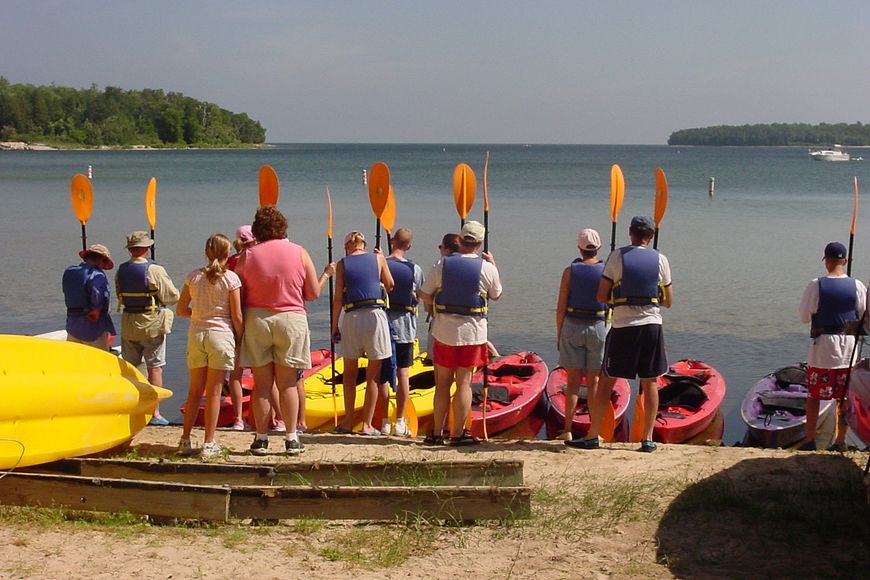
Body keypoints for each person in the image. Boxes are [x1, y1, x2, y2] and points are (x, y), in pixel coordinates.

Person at [567, 216, 672, 452]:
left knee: (607, 381)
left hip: (624, 327)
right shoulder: (661, 259)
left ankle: (594, 435)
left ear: (630, 233)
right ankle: (648, 438)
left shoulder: (617, 257)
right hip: (652, 326)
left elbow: (601, 297)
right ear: (651, 236)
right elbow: (668, 301)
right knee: (651, 381)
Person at [236, 205, 323, 456]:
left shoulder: (248, 255)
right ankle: (292, 438)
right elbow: (313, 293)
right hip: (291, 319)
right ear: (283, 227)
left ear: (258, 230)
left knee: (262, 385)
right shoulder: (299, 252)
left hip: (258, 318)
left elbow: (237, 289)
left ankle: (261, 439)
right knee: (288, 384)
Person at [420, 220, 502, 446]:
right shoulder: (487, 268)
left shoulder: (442, 264)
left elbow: (424, 294)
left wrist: (439, 300)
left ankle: (437, 432)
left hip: (444, 332)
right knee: (464, 383)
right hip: (473, 334)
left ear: (461, 238)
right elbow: (496, 294)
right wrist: (493, 263)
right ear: (479, 243)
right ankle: (458, 433)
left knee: (443, 384)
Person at [176, 234, 243, 458]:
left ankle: (185, 438)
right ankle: (209, 442)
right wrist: (240, 338)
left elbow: (181, 309)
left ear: (207, 253)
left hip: (197, 334)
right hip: (221, 335)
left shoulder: (193, 277)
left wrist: (199, 315)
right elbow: (236, 315)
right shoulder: (231, 279)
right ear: (227, 254)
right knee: (214, 392)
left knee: (194, 390)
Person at [798, 241, 867, 451]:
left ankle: (810, 440)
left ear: (826, 261)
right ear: (845, 261)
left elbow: (803, 317)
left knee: (814, 394)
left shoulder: (815, 284)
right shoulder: (858, 285)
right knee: (844, 395)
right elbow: (863, 315)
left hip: (823, 348)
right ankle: (840, 441)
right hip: (848, 347)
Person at [332, 231, 394, 435]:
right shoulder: (377, 258)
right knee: (373, 376)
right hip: (375, 316)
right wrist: (383, 259)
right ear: (363, 245)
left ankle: (348, 421)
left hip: (352, 317)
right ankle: (367, 425)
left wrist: (334, 326)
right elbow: (390, 284)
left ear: (347, 247)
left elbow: (338, 299)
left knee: (349, 374)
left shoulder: (342, 263)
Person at [116, 231, 180, 426]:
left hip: (129, 323)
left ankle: (131, 408)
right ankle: (155, 412)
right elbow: (173, 296)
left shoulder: (121, 270)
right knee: (155, 367)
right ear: (146, 248)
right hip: (152, 323)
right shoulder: (155, 269)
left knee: (129, 368)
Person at [555, 228, 609, 441]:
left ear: (579, 247)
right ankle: (592, 431)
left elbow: (561, 307)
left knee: (573, 382)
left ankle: (567, 429)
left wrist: (559, 333)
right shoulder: (607, 271)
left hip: (572, 325)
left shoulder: (570, 271)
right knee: (594, 382)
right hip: (598, 326)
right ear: (599, 248)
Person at [385, 227, 425, 437]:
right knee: (403, 373)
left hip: (382, 327)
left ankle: (383, 421)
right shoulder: (415, 269)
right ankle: (400, 421)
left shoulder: (379, 263)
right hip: (405, 328)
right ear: (409, 246)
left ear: (392, 241)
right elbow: (420, 295)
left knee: (381, 376)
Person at [225, 224, 256, 430]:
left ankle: (238, 419)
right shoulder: (260, 259)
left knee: (235, 374)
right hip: (255, 317)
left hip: (235, 319)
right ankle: (274, 419)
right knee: (264, 374)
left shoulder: (229, 262)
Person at [62, 243, 116, 351]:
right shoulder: (96, 274)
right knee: (99, 360)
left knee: (76, 359)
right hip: (92, 326)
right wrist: (96, 309)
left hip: (73, 323)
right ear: (103, 260)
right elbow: (99, 293)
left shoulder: (69, 272)